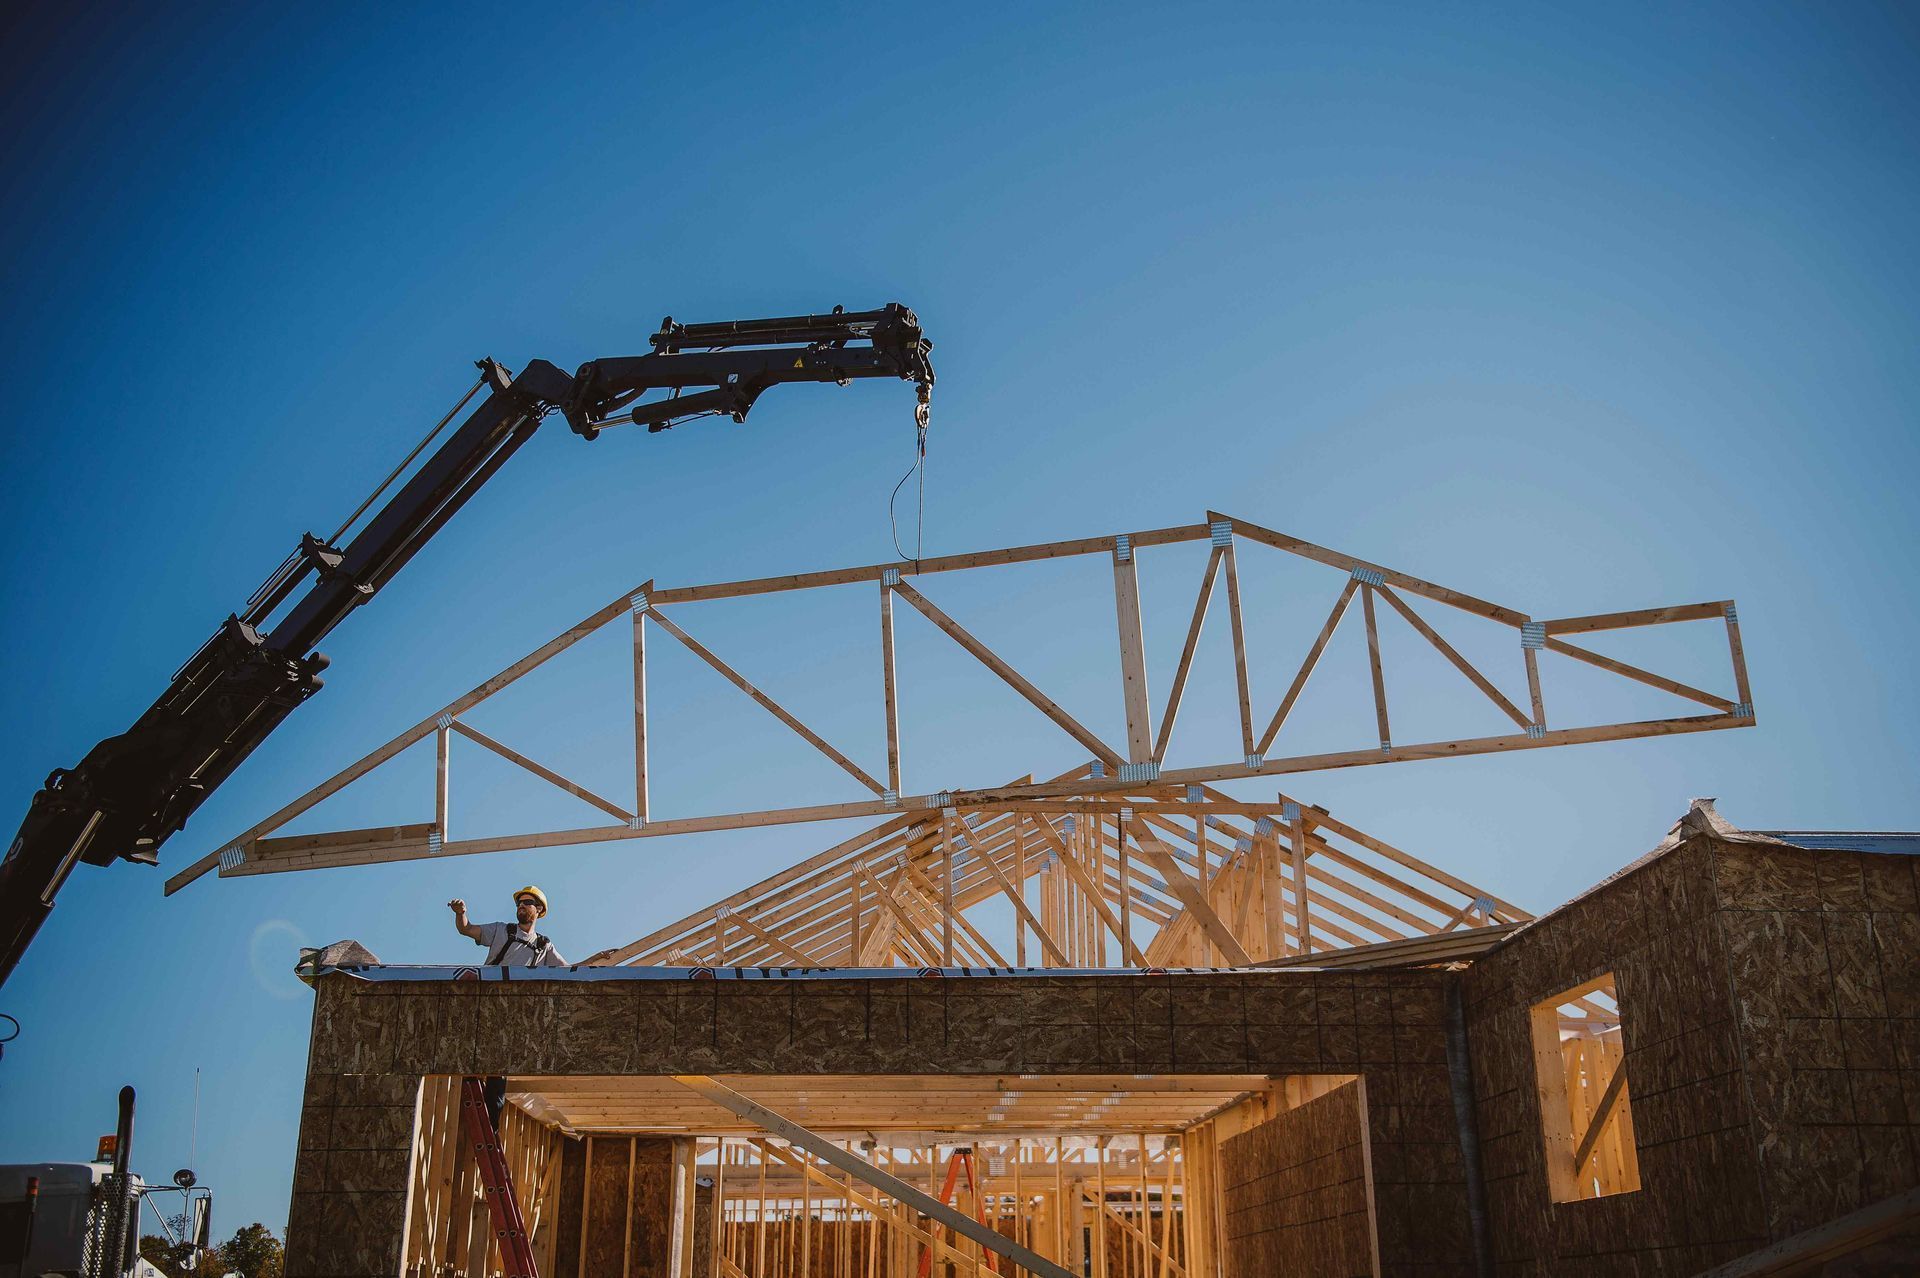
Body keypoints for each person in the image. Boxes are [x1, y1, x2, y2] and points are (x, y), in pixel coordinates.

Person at [448, 885, 567, 1126]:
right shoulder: (502, 931)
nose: (521, 906)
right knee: (471, 1061)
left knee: (497, 1077)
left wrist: (599, 959)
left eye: (527, 902)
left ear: (539, 910)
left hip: (511, 1015)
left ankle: (490, 1127)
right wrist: (461, 913)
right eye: (519, 903)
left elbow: (569, 971)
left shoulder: (544, 946)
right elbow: (467, 929)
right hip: (485, 1003)